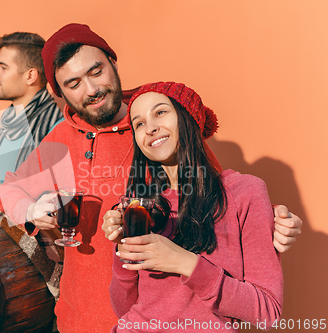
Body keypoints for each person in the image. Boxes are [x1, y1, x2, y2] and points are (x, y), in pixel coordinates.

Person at [0, 23, 300, 332]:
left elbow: (217, 202)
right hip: (76, 320)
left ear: (113, 63)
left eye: (96, 72)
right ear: (60, 94)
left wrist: (270, 225)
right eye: (73, 83)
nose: (91, 89)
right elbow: (8, 191)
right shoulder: (60, 138)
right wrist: (32, 212)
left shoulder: (160, 134)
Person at [102, 81, 282, 332]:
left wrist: (184, 263)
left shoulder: (244, 192)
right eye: (139, 123)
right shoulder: (142, 202)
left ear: (188, 118)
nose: (150, 128)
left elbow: (267, 312)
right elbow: (124, 309)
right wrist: (122, 251)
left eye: (160, 112)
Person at [0, 32, 63, 202]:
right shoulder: (7, 124)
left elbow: (53, 197)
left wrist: (1, 194)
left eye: (3, 67)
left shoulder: (56, 128)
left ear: (30, 76)